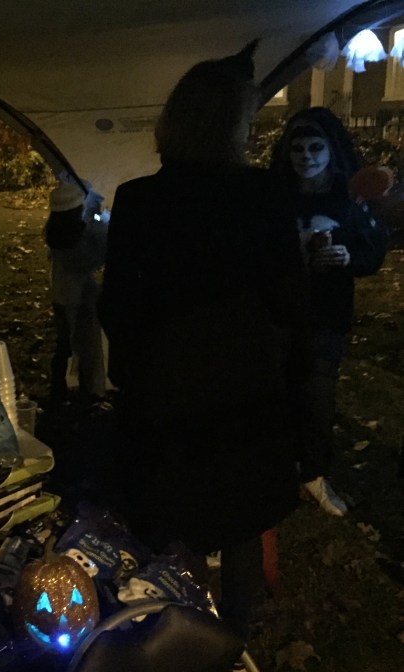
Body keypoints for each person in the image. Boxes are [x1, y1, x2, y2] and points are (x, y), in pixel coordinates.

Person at [98, 41, 310, 639]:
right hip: (242, 387)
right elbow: (289, 302)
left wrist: (134, 367)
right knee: (241, 519)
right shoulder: (263, 196)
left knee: (172, 518)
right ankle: (231, 638)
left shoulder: (139, 199)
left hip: (164, 387)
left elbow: (117, 305)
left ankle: (171, 631)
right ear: (231, 125)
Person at [269, 107, 390, 516]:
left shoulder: (348, 197)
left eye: (315, 147)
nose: (306, 156)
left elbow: (373, 252)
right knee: (281, 393)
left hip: (326, 315)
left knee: (318, 394)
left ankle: (315, 473)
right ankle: (283, 465)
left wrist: (348, 256)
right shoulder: (274, 196)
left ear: (330, 151)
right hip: (279, 312)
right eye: (298, 148)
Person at [45, 180, 109, 404]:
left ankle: (58, 388)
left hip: (61, 296)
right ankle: (86, 391)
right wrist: (101, 223)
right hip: (79, 298)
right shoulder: (75, 240)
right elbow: (94, 256)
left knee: (64, 345)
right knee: (85, 345)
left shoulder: (57, 232)